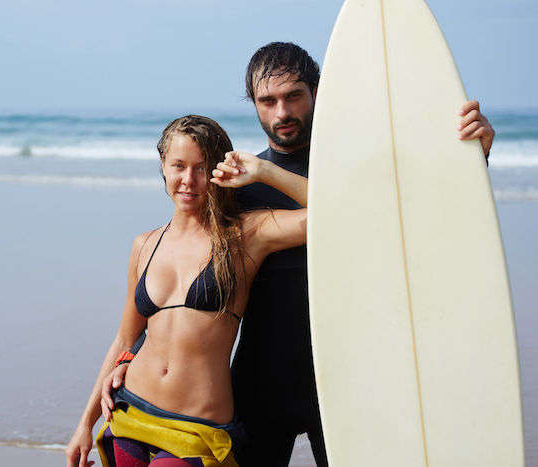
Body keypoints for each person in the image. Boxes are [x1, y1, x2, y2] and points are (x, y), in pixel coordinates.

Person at [96, 42, 496, 467]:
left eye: (293, 96)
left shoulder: (359, 174)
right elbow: (179, 279)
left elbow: (416, 220)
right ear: (255, 105)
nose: (281, 112)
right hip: (259, 385)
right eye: (268, 101)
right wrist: (130, 355)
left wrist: (473, 159)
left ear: (317, 93)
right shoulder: (237, 190)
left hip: (346, 382)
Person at [66, 114, 311, 467]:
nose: (188, 180)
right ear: (163, 167)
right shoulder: (145, 245)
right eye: (178, 166)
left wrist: (263, 171)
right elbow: (123, 340)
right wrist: (84, 425)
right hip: (130, 412)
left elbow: (330, 209)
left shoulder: (245, 236)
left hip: (197, 430)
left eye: (201, 167)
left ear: (218, 171)